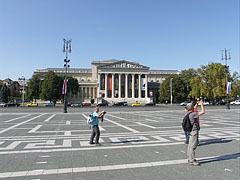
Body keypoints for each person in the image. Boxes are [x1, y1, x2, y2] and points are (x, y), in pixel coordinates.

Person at [184, 101, 205, 166]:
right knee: (193, 146)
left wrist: (197, 104)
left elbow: (193, 109)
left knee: (190, 145)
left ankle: (190, 158)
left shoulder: (188, 113)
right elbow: (203, 112)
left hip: (190, 130)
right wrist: (201, 105)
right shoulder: (193, 114)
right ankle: (191, 160)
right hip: (194, 131)